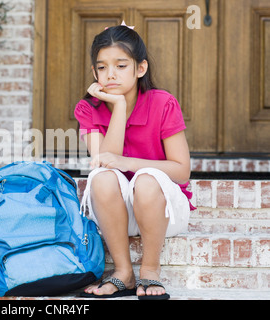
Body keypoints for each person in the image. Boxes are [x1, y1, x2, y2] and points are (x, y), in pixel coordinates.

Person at [75, 22, 195, 300]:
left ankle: (150, 270)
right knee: (102, 177)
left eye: (120, 65)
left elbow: (182, 170)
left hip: (163, 211)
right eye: (102, 67)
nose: (110, 74)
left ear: (140, 69)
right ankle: (123, 272)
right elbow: (104, 161)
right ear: (94, 73)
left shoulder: (162, 102)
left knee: (146, 179)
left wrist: (128, 162)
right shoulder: (87, 109)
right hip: (115, 215)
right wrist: (117, 107)